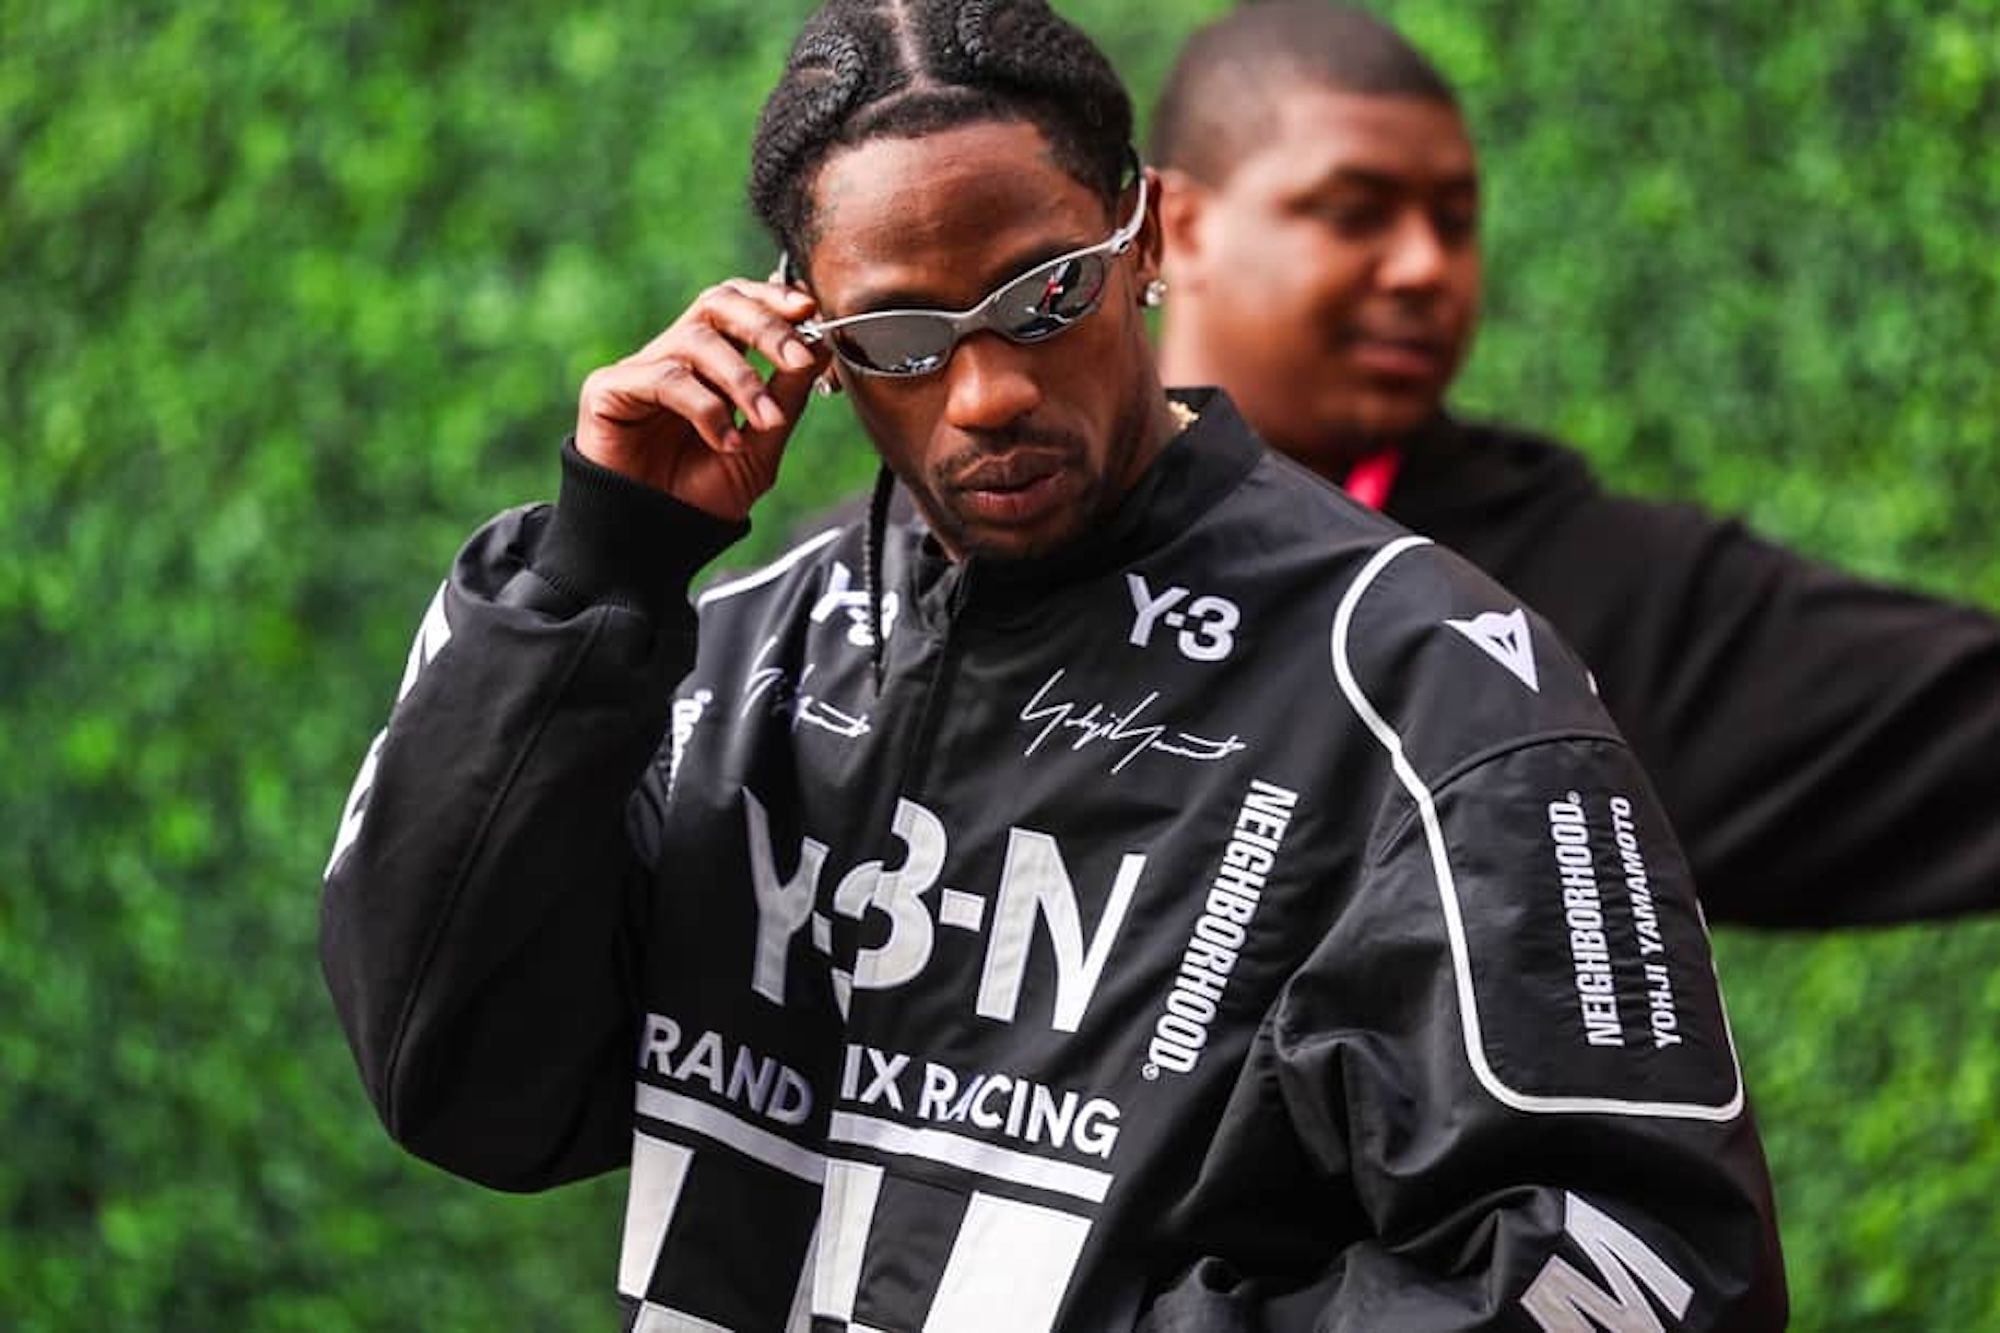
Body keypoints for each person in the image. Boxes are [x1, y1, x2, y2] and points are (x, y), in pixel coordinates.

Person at [320, 2, 1784, 1328]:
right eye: (900, 334)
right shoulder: (734, 646)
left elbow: (1642, 1260)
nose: (988, 391)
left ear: (1145, 236)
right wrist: (596, 568)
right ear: (805, 331)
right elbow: (469, 1088)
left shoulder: (1428, 687)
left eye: (1043, 296)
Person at [1150, 0, 2000, 928]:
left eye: (1456, 220)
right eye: (1355, 213)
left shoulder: (1572, 597)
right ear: (1180, 226)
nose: (1426, 266)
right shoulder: (1014, 537)